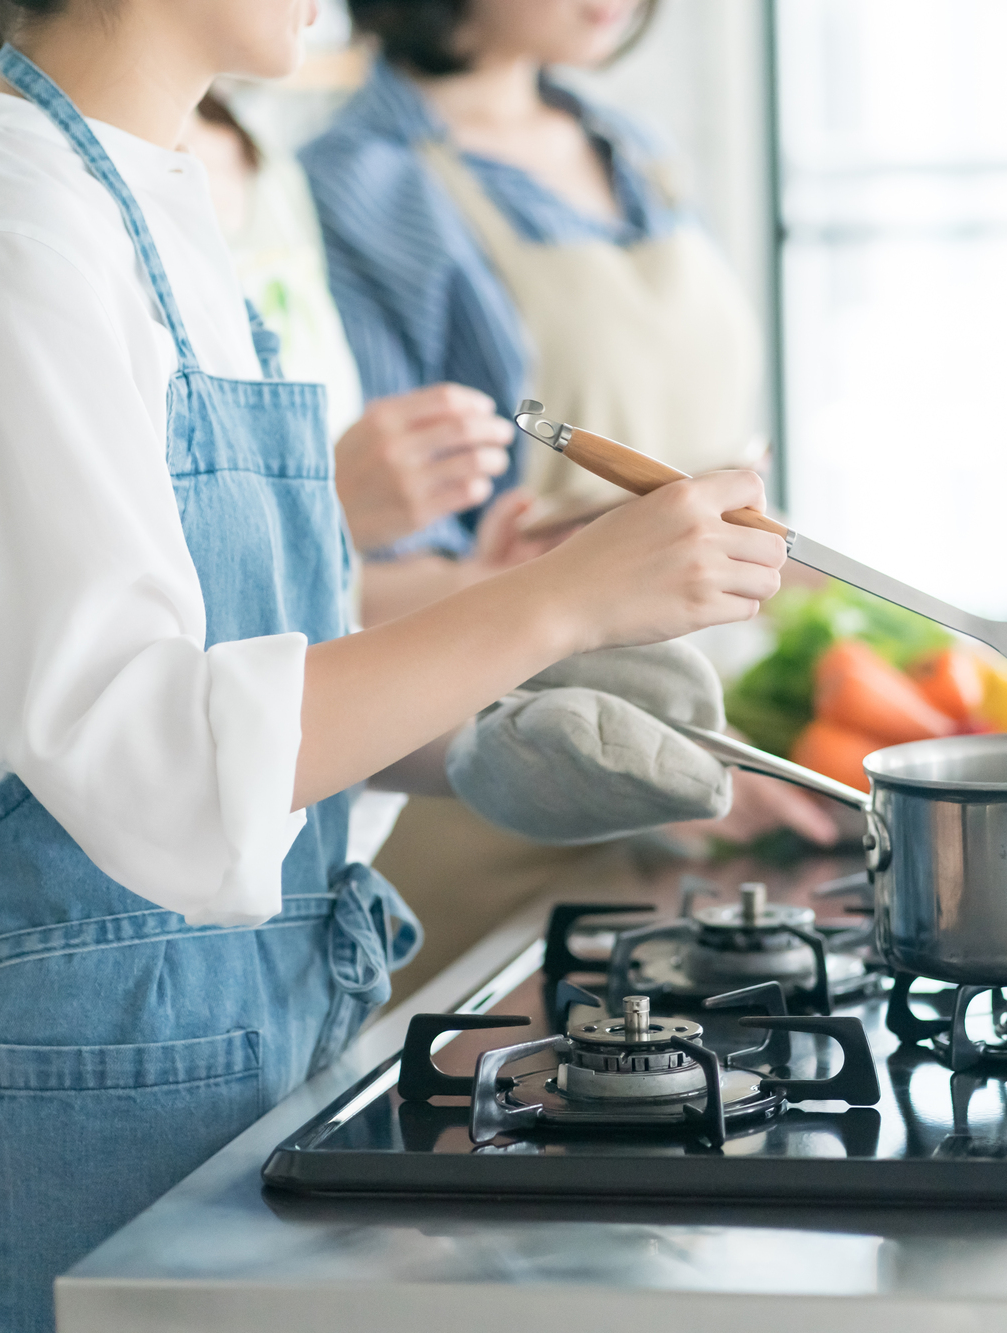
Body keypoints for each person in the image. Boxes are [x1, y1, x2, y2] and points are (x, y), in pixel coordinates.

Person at [0, 2, 784, 1328]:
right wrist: (551, 606)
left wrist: (484, 745)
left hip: (249, 1066)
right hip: (76, 1103)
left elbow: (260, 676)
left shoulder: (160, 212)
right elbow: (152, 760)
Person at [301, 0, 839, 988]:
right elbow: (353, 572)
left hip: (709, 771)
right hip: (502, 780)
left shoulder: (629, 146)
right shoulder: (359, 188)